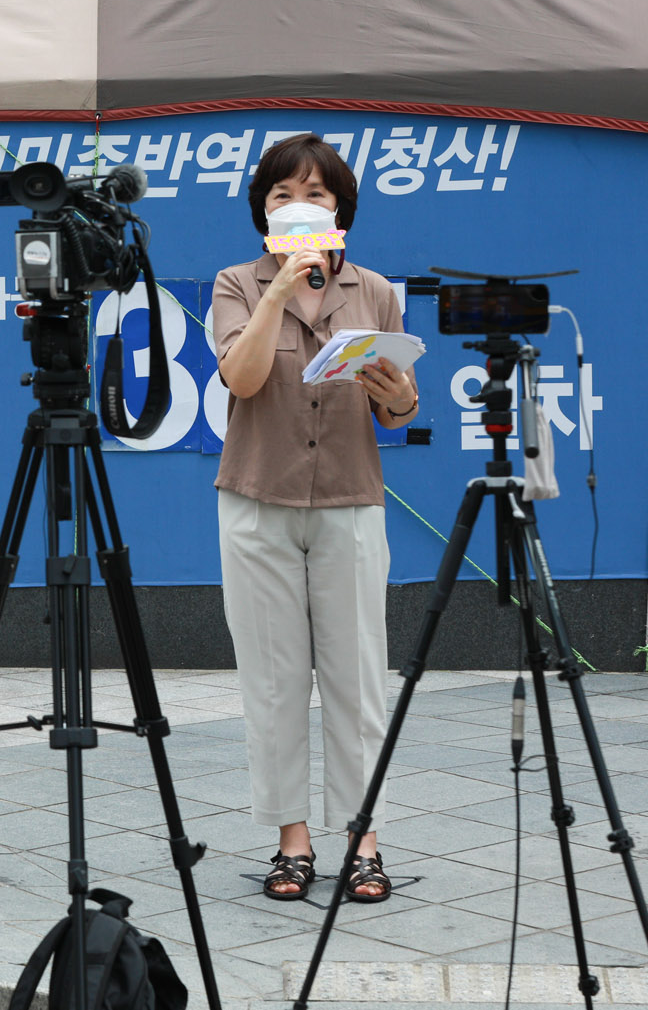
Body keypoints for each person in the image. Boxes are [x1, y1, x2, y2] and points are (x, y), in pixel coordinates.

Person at [211, 133, 418, 904]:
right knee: (273, 679)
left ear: (341, 210)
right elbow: (243, 373)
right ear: (264, 212)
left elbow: (399, 412)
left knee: (358, 674)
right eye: (282, 195)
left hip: (350, 502)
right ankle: (290, 841)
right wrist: (278, 290)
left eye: (317, 195)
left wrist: (392, 387)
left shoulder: (374, 290)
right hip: (257, 501)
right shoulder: (236, 283)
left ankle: (364, 838)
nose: (300, 206)